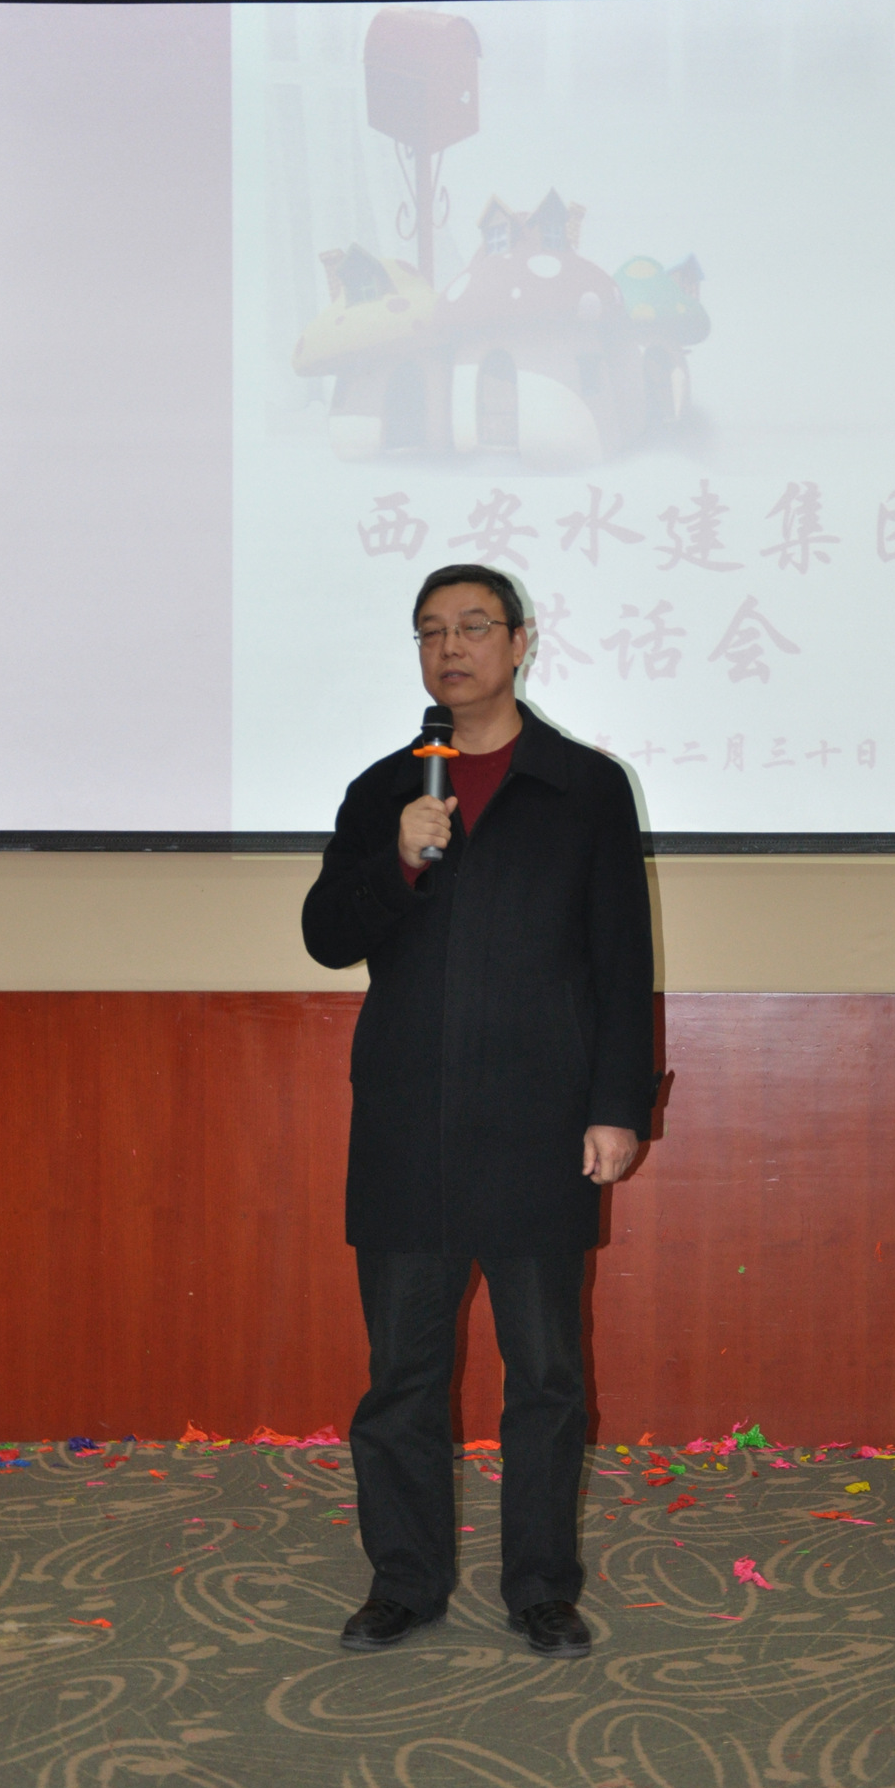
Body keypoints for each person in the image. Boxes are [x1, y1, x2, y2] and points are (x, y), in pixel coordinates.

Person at [301, 562, 655, 1658]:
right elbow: (325, 934)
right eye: (429, 631)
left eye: (472, 626)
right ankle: (403, 1582)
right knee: (401, 1378)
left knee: (545, 1377)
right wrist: (399, 861)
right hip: (407, 1123)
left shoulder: (583, 786)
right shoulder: (384, 791)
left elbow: (620, 960)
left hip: (540, 1126)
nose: (450, 648)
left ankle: (541, 1587)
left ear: (519, 641)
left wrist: (616, 1107)